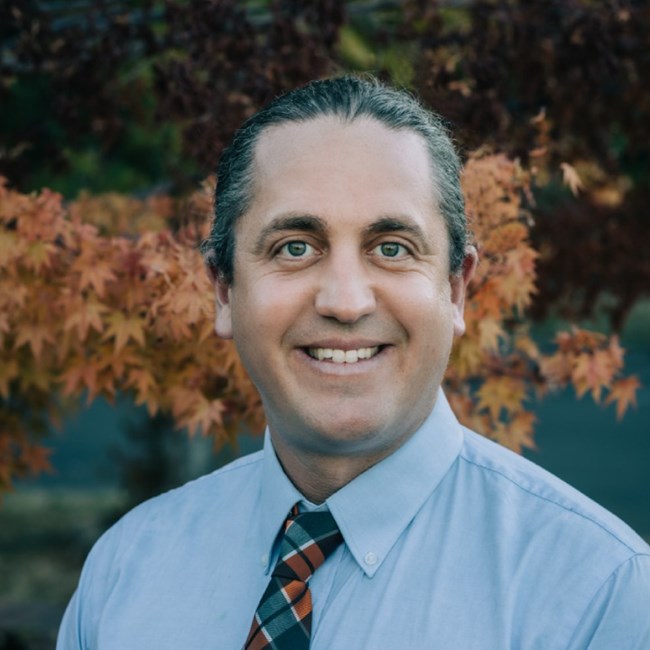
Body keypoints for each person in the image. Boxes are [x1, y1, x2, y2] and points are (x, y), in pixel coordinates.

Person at [57, 76, 650, 649]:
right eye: (295, 247)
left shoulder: (598, 594)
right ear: (224, 291)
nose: (345, 301)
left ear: (458, 290)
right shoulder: (125, 572)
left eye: (391, 249)